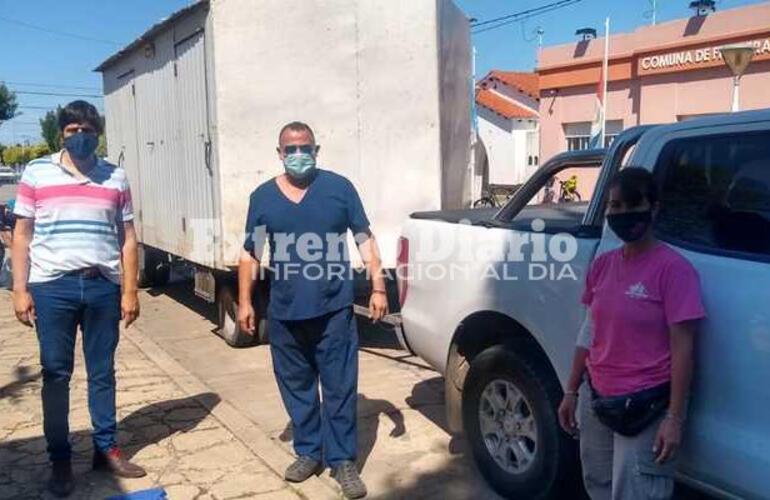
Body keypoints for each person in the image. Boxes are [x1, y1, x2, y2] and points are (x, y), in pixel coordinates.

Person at [238, 121, 388, 499]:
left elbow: (363, 237)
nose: (298, 154)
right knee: (297, 387)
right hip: (286, 311)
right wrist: (244, 301)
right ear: (279, 153)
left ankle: (342, 461)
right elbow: (251, 252)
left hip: (333, 309)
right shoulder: (263, 198)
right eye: (291, 149)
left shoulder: (339, 189)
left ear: (316, 150)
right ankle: (308, 451)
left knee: (339, 387)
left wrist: (378, 285)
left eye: (305, 147)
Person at [11, 100, 146, 498]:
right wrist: (20, 289)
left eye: (87, 129)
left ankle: (106, 449)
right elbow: (22, 234)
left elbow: (128, 238)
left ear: (98, 133)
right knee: (55, 375)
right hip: (53, 288)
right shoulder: (37, 171)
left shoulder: (115, 177)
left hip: (103, 286)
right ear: (61, 133)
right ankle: (60, 460)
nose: (80, 136)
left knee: (103, 373)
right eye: (72, 130)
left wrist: (130, 289)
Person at [557, 167, 705, 500]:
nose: (623, 214)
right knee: (598, 486)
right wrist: (571, 390)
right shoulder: (603, 265)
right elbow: (589, 329)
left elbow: (684, 349)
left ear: (654, 208)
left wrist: (674, 419)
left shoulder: (674, 270)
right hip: (597, 398)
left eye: (633, 205)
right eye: (615, 207)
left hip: (645, 406)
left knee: (637, 493)